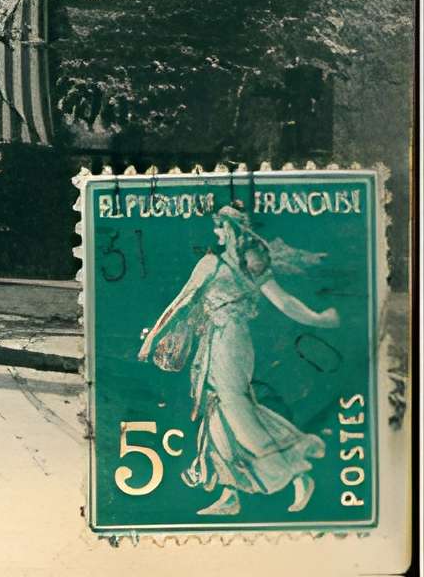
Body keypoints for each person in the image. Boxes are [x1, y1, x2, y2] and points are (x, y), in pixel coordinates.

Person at [137, 204, 341, 516]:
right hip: (225, 342)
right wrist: (319, 318)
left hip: (226, 344)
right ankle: (230, 493)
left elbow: (181, 302)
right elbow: (285, 302)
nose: (216, 233)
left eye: (220, 227)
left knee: (236, 409)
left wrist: (151, 339)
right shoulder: (246, 266)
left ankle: (295, 471)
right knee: (216, 412)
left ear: (230, 229)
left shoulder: (221, 264)